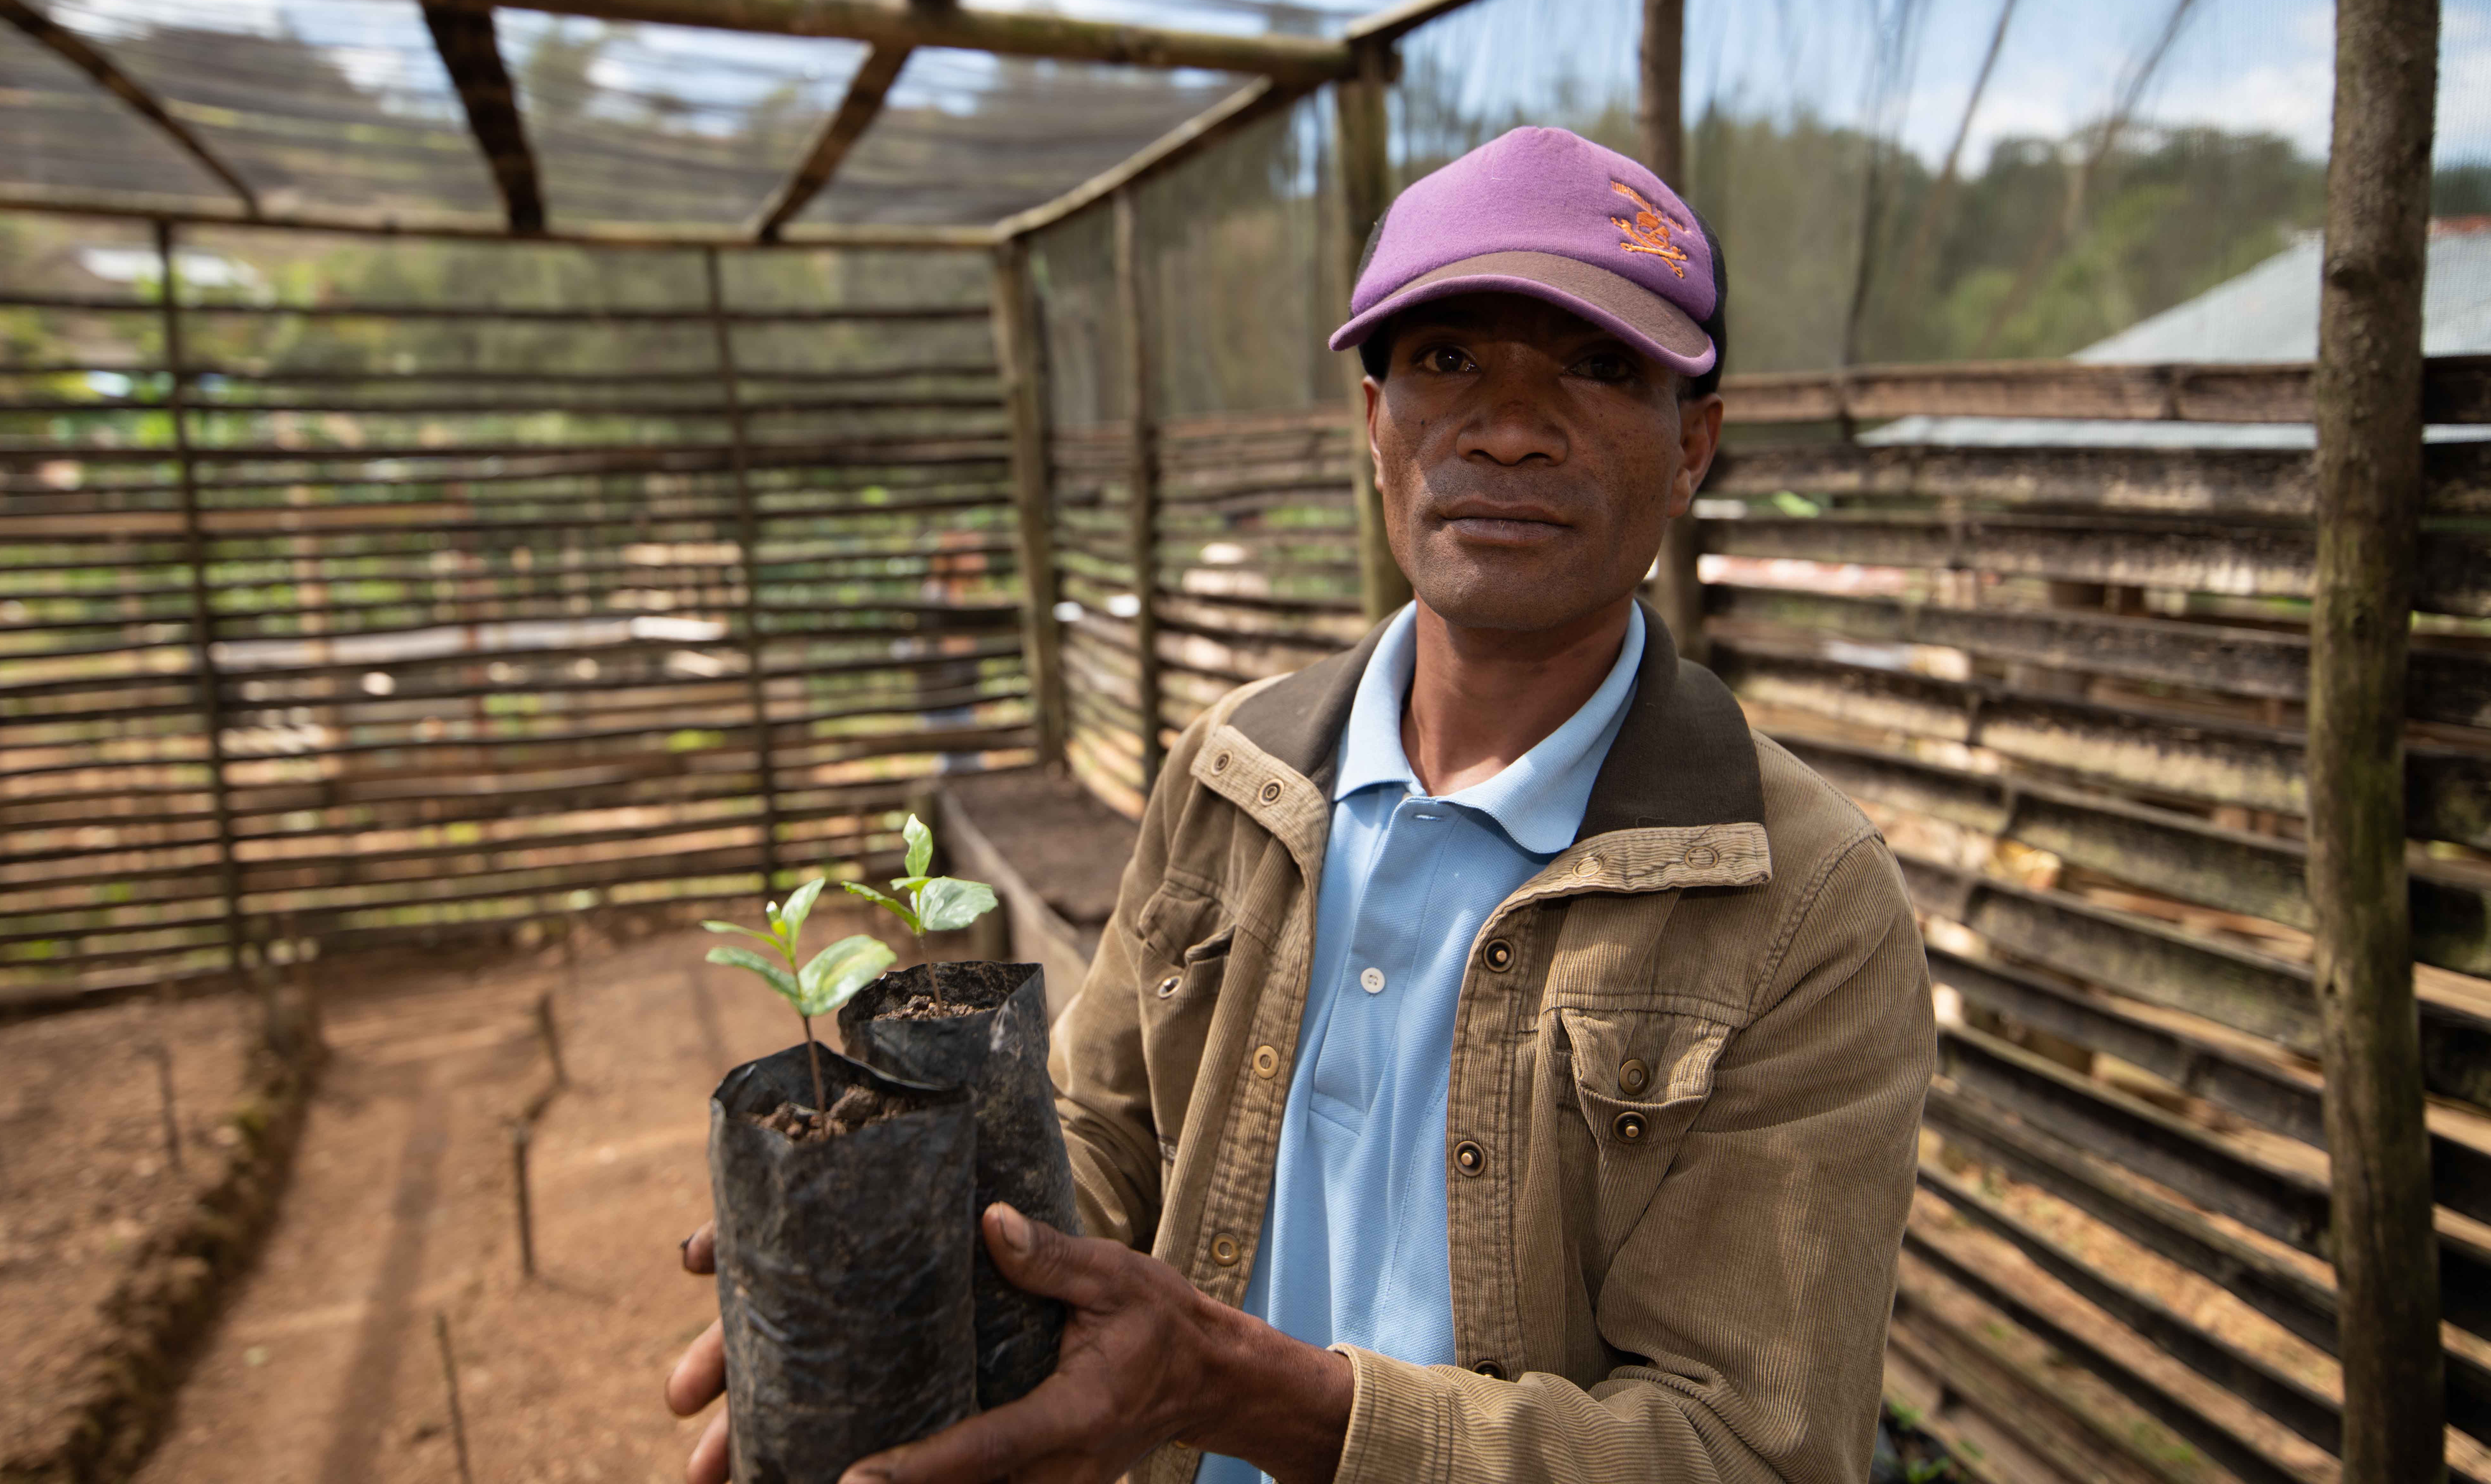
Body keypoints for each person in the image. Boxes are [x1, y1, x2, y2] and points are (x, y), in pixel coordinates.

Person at [668, 125, 1934, 1483]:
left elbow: (1749, 1448)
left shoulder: (1801, 898)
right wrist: (909, 1272)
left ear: (1693, 448)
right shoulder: (1236, 767)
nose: (1508, 426)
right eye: (1448, 360)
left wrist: (1255, 1397)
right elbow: (1101, 1125)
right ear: (1374, 422)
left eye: (1597, 366)